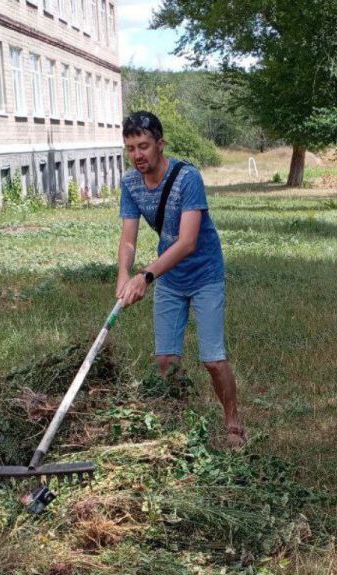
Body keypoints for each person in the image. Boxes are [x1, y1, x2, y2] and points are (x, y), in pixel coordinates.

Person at [116, 111, 245, 448]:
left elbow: (187, 242)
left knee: (213, 360)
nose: (138, 155)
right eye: (130, 148)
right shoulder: (130, 184)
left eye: (143, 146)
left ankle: (233, 424)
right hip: (170, 278)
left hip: (205, 273)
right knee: (165, 361)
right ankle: (180, 425)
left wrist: (146, 275)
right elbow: (128, 239)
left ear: (160, 144)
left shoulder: (188, 178)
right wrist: (123, 275)